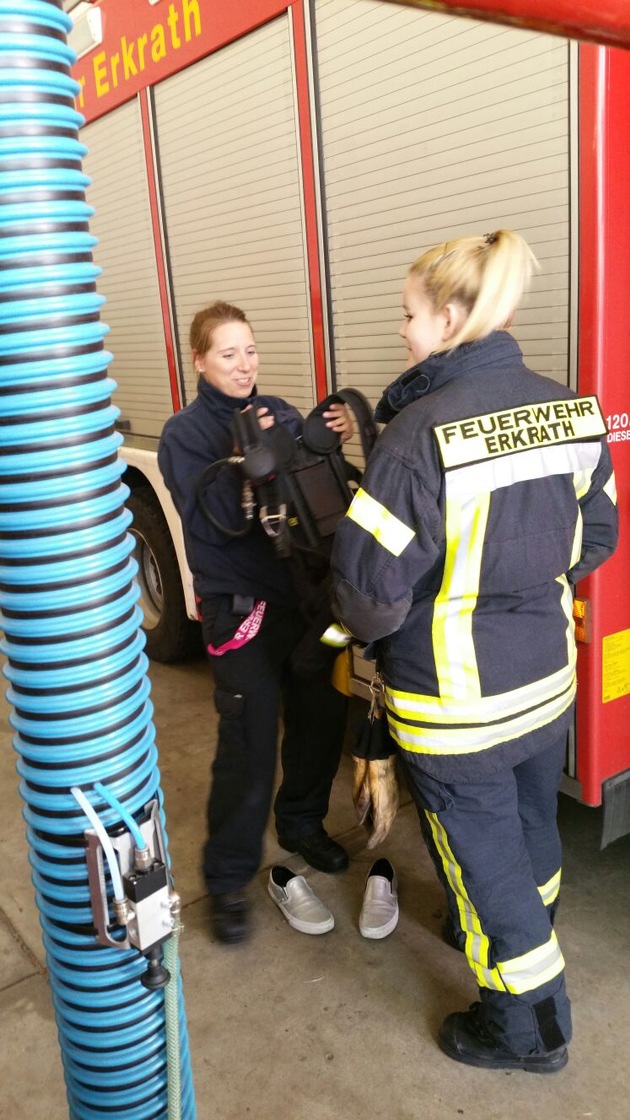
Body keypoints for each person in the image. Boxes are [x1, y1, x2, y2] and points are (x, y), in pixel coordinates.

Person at [330, 231, 618, 1072]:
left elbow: (367, 596)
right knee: (530, 827)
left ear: (451, 318)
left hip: (457, 706)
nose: (403, 331)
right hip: (544, 683)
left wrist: (421, 608)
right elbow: (595, 535)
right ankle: (528, 925)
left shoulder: (414, 437)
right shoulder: (570, 409)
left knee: (481, 858)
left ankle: (529, 1027)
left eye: (410, 315)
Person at [158, 301, 353, 945]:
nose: (244, 366)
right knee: (248, 742)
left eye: (250, 350)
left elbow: (317, 494)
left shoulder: (281, 413)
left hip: (303, 600)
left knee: (320, 717)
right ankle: (228, 877)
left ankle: (301, 824)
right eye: (228, 354)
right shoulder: (185, 435)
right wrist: (245, 461)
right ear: (199, 361)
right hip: (239, 607)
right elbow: (211, 518)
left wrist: (328, 440)